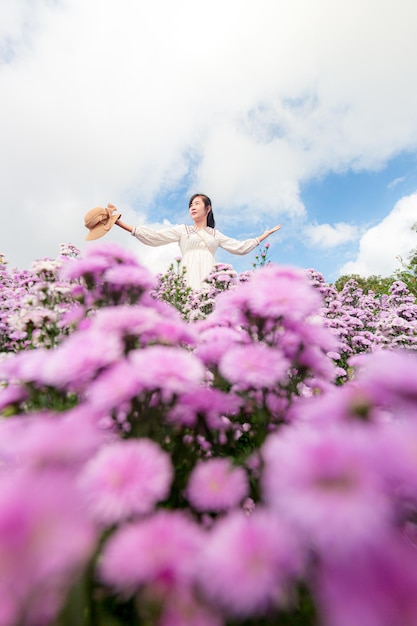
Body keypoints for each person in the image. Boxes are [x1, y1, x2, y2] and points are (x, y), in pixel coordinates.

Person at [113, 194, 281, 290]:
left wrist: (263, 235)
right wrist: (121, 224)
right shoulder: (183, 230)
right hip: (187, 271)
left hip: (209, 273)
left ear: (208, 209)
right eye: (190, 205)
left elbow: (240, 248)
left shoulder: (215, 234)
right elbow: (154, 237)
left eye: (197, 204)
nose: (192, 207)